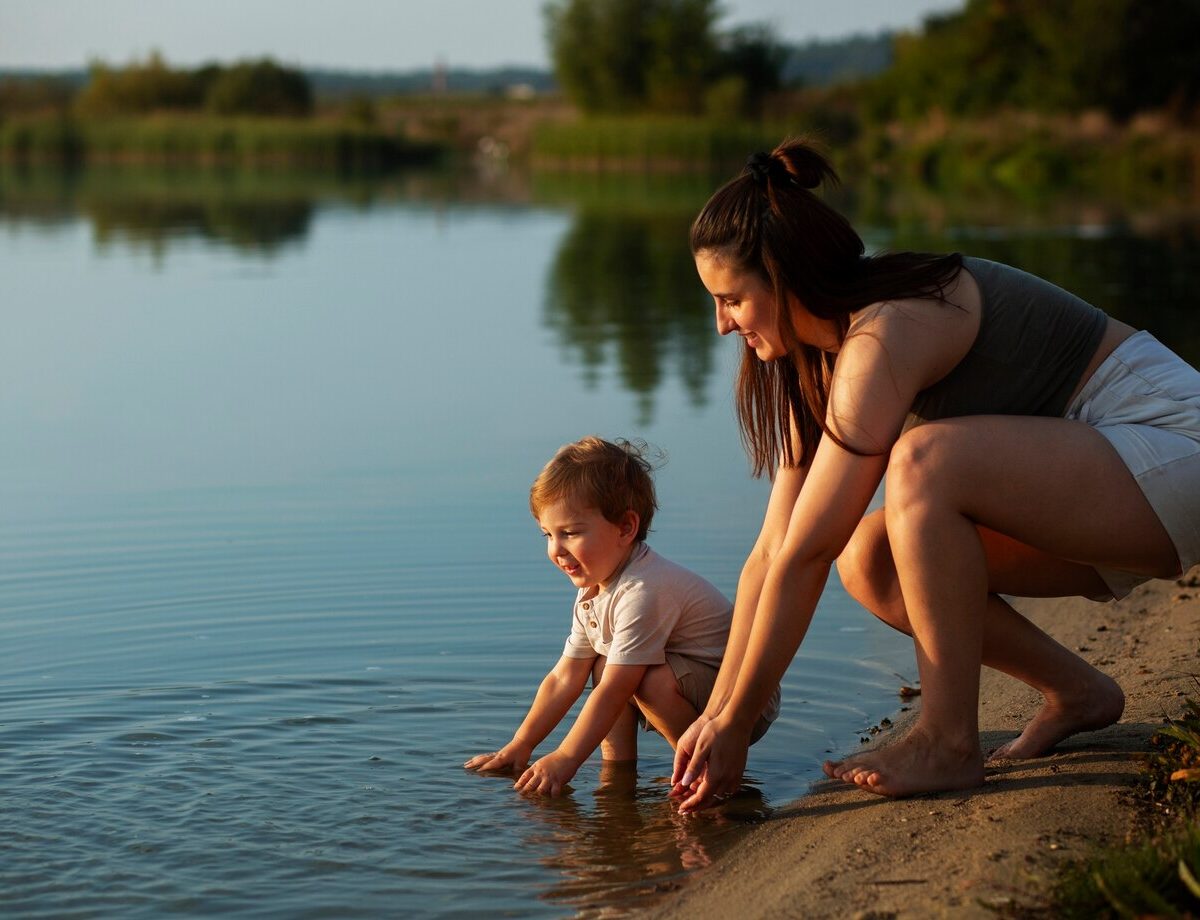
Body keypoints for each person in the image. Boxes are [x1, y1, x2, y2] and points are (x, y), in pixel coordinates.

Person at [669, 138, 1200, 813]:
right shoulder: (816, 363)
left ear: (782, 276)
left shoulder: (887, 330)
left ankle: (947, 743)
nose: (720, 324)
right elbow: (775, 551)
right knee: (871, 556)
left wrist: (740, 724)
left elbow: (805, 556)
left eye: (732, 300)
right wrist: (717, 718)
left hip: (1174, 450)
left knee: (924, 463)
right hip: (1099, 493)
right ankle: (1077, 692)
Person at [464, 436, 778, 796]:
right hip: (694, 686)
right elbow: (564, 678)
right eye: (547, 534)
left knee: (637, 679)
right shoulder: (594, 589)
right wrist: (520, 745)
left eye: (570, 533)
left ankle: (703, 771)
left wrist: (566, 756)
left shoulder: (643, 591)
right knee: (601, 666)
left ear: (626, 528)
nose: (555, 550)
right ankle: (617, 779)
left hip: (742, 705)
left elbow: (617, 690)